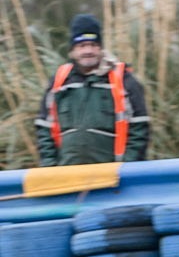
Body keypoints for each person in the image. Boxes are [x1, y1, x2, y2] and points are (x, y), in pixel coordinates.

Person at [35, 14, 150, 166]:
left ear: (100, 48)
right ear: (72, 50)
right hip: (67, 177)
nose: (88, 51)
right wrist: (50, 169)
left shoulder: (123, 80)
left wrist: (127, 170)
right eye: (82, 46)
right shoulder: (59, 81)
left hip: (113, 179)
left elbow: (139, 128)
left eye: (93, 45)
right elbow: (44, 129)